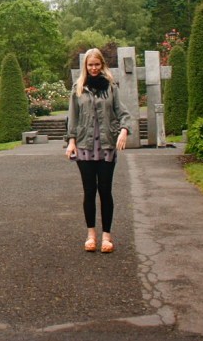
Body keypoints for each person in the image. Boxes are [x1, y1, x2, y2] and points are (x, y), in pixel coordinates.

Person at [64, 48, 130, 253]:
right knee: (89, 191)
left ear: (102, 65)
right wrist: (71, 142)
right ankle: (91, 234)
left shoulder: (111, 87)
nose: (93, 68)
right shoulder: (78, 88)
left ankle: (107, 236)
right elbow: (72, 117)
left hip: (106, 146)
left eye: (97, 64)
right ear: (85, 66)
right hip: (84, 146)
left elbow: (123, 113)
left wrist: (124, 130)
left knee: (105, 191)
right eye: (90, 65)